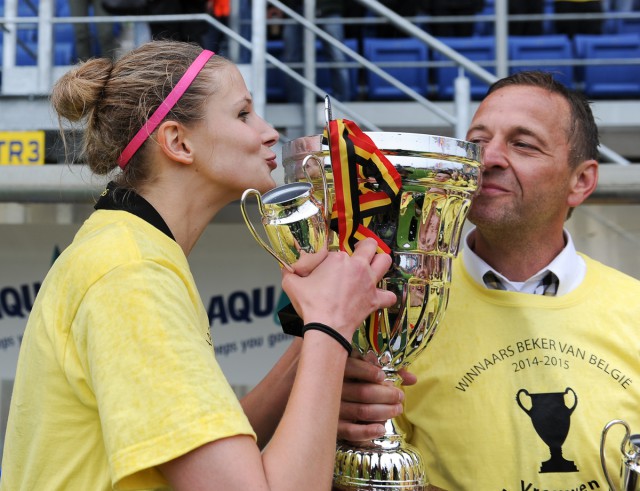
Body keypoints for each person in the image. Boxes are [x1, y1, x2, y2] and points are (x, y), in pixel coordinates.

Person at [0, 40, 396, 491]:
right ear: (177, 142)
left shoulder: (128, 249)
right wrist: (330, 327)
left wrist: (313, 356)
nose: (269, 133)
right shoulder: (131, 275)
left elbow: (210, 458)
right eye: (243, 114)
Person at [337, 70, 640, 490]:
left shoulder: (635, 310)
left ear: (581, 180)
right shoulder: (395, 308)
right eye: (477, 142)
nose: (488, 158)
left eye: (522, 144)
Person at [280, 0, 353, 102]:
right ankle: (296, 103)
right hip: (295, 9)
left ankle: (343, 104)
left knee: (337, 57)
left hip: (328, 8)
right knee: (291, 59)